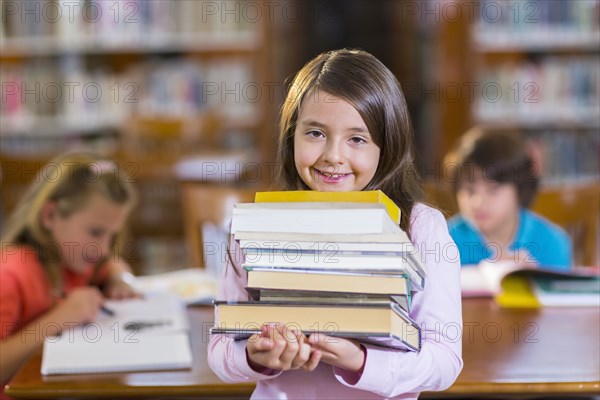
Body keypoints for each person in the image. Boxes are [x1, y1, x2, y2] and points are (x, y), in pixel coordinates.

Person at [207, 49, 463, 399]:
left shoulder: (421, 227)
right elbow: (220, 352)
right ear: (291, 136)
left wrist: (359, 361)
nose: (333, 156)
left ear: (385, 147)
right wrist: (256, 356)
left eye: (357, 139)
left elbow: (444, 361)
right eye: (315, 133)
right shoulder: (259, 225)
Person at [0, 152, 138, 387]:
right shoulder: (11, 274)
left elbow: (112, 263)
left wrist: (119, 279)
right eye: (95, 232)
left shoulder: (74, 259)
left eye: (112, 235)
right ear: (50, 215)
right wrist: (57, 320)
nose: (104, 249)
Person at [445, 127, 572, 270]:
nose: (477, 202)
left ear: (520, 190)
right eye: (469, 190)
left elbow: (559, 290)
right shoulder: (445, 240)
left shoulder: (551, 242)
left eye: (492, 190)